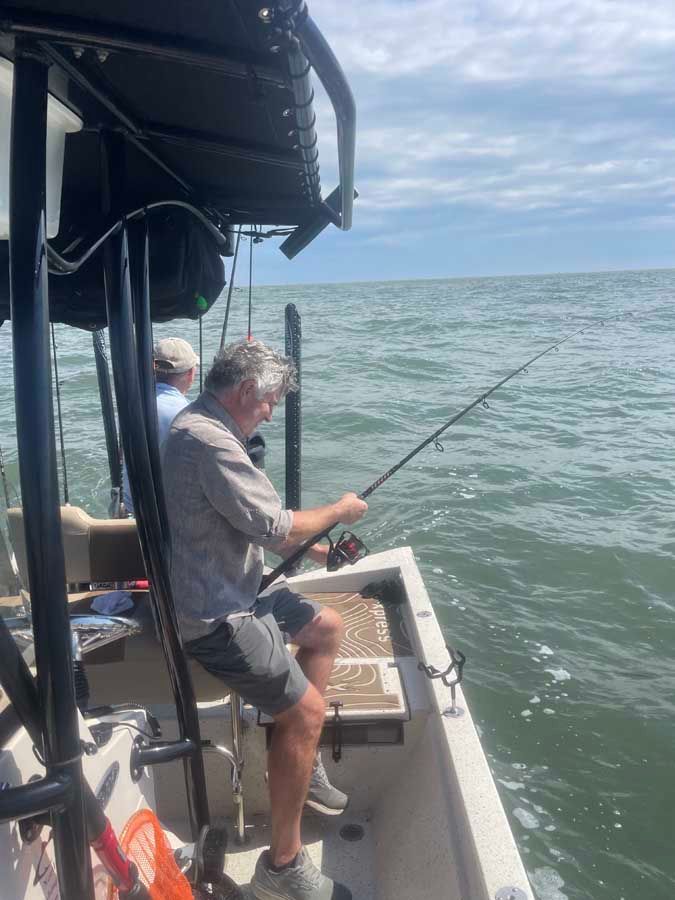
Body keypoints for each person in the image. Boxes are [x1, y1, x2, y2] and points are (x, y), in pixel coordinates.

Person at [162, 339, 367, 900]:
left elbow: (251, 523)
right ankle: (283, 867)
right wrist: (341, 510)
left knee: (327, 628)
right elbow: (275, 525)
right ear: (247, 389)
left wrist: (319, 552)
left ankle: (302, 755)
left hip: (242, 592)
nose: (272, 413)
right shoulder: (208, 440)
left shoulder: (206, 428)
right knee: (308, 711)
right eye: (271, 401)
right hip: (214, 617)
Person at [122, 337, 198, 515]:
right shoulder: (190, 415)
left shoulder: (130, 406)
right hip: (169, 516)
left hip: (132, 509)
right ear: (190, 374)